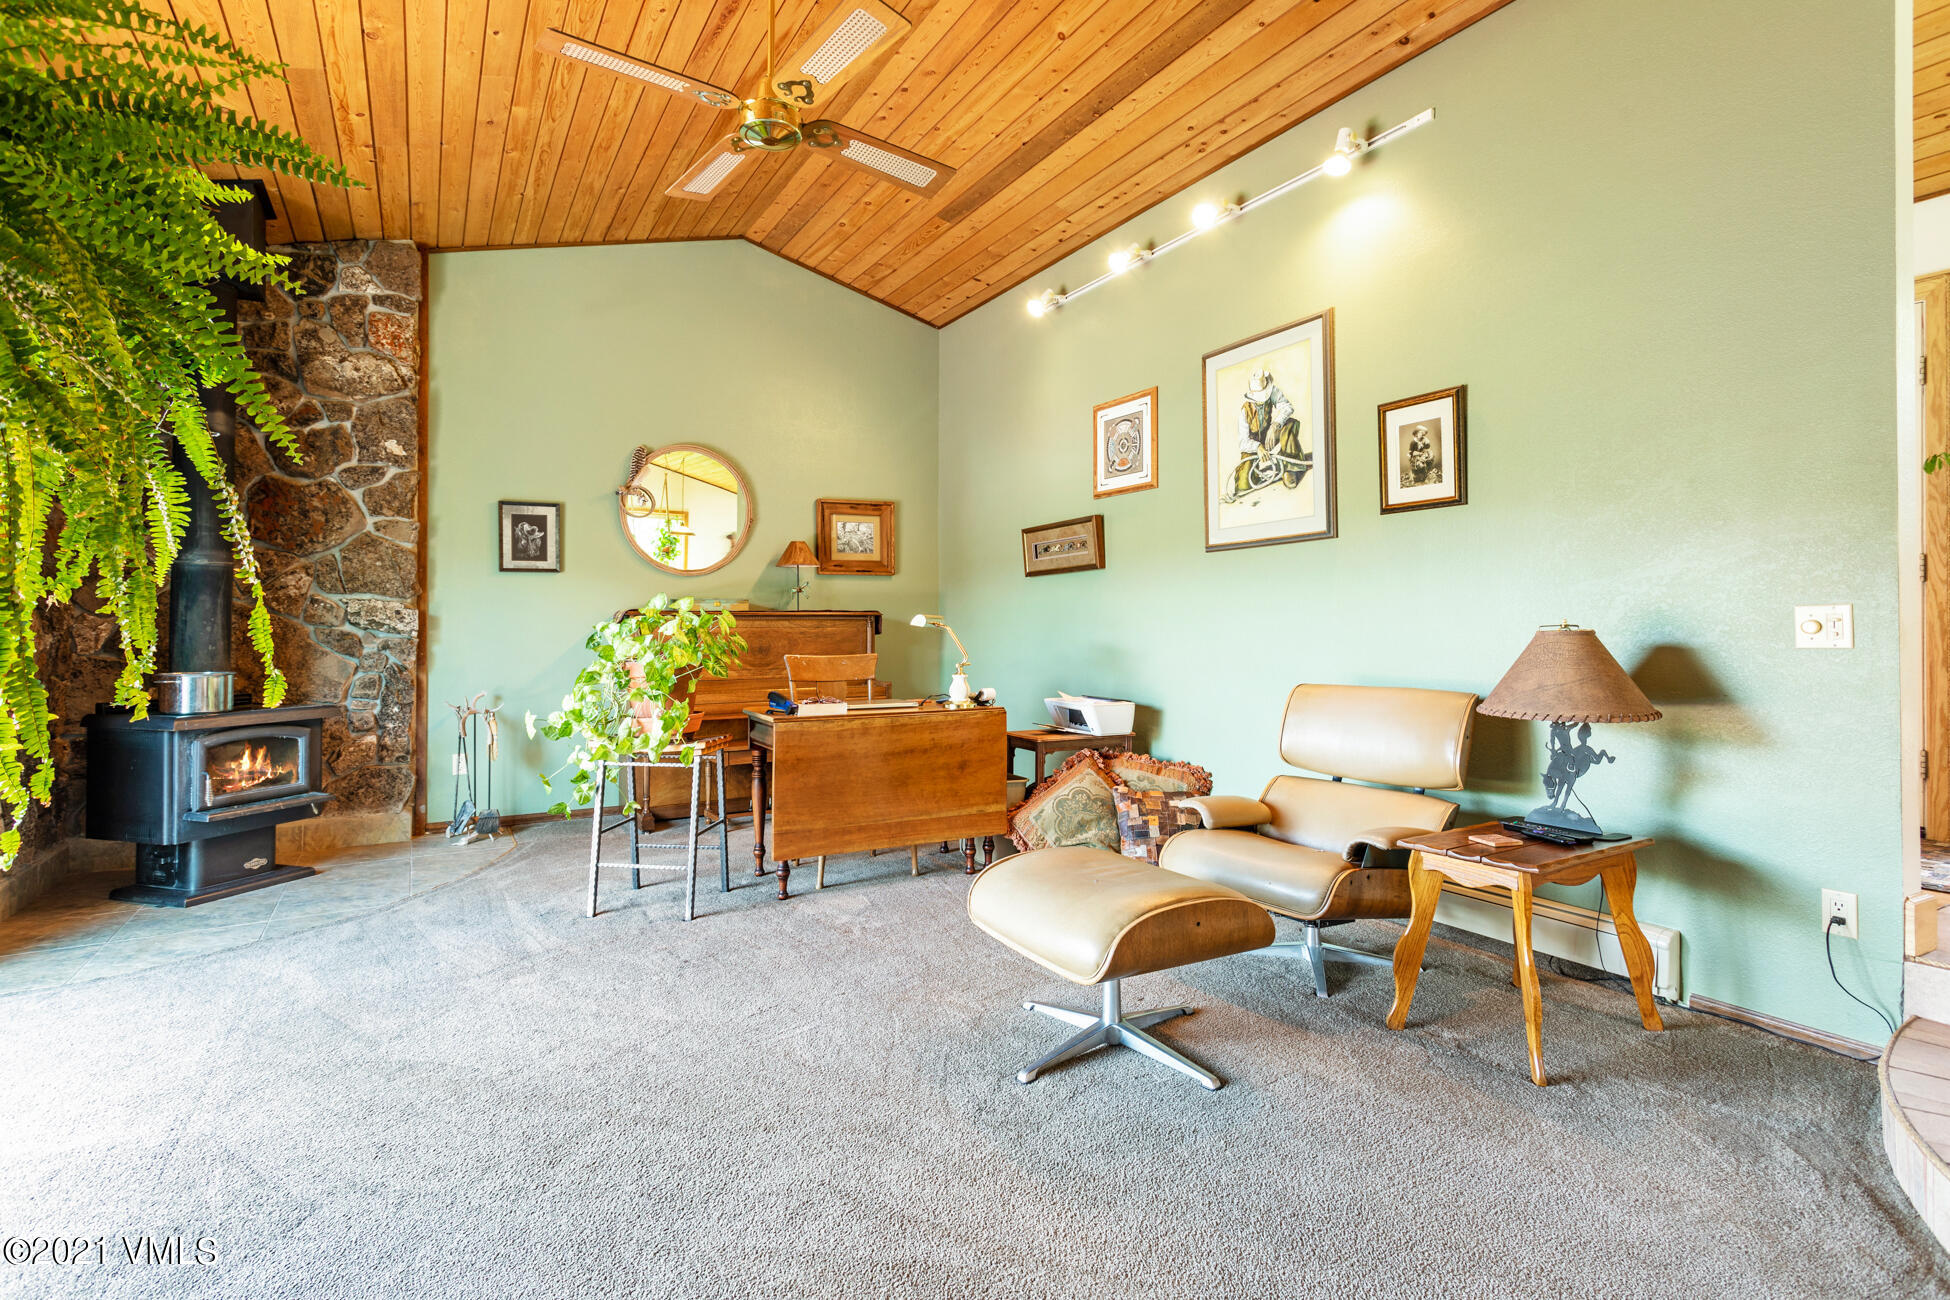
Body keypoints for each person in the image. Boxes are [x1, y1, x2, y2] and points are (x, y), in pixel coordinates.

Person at [1223, 365, 1309, 503]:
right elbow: (1243, 442)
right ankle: (1254, 476)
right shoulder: (1244, 411)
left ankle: (1290, 468)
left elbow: (1288, 407)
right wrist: (1258, 447)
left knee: (1290, 424)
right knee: (1243, 485)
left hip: (1269, 435)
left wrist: (1275, 425)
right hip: (1253, 445)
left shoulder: (1272, 391)